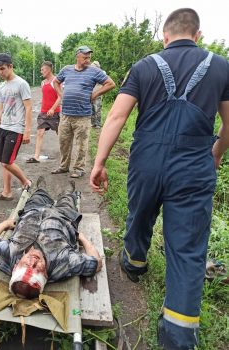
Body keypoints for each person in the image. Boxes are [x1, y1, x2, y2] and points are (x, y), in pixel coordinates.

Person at [90, 8, 229, 350]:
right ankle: (178, 335)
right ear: (198, 35)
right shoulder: (222, 67)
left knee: (140, 213)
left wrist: (100, 161)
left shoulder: (144, 66)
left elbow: (117, 116)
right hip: (195, 163)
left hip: (147, 160)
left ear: (165, 36)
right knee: (187, 247)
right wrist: (217, 152)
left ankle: (134, 263)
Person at [0, 177, 102, 298]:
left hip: (32, 210)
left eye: (26, 265)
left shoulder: (9, 256)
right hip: (64, 216)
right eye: (37, 268)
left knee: (39, 194)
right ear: (46, 275)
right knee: (67, 199)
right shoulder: (63, 263)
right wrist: (82, 238)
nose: (33, 261)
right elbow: (96, 264)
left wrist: (5, 224)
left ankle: (41, 188)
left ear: (15, 267)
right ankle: (68, 192)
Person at [51, 46, 115, 178]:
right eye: (85, 57)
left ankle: (79, 168)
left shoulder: (94, 71)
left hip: (83, 116)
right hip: (66, 115)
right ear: (77, 56)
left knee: (81, 144)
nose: (87, 60)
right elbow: (56, 82)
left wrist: (95, 94)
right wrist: (61, 94)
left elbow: (110, 83)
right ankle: (64, 167)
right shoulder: (66, 69)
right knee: (63, 142)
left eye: (89, 58)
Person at [0, 53, 32, 200]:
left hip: (16, 129)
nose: (0, 72)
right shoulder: (2, 87)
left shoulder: (21, 84)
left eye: (2, 69)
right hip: (3, 128)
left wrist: (27, 131)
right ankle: (7, 192)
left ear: (10, 66)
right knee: (3, 163)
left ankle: (26, 182)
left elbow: (29, 108)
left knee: (7, 162)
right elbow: (0, 110)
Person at [26, 61, 61, 163]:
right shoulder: (42, 83)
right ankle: (36, 156)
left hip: (55, 113)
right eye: (41, 69)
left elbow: (60, 97)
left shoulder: (56, 81)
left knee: (61, 135)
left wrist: (53, 108)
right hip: (43, 113)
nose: (41, 71)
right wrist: (46, 109)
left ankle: (64, 154)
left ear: (49, 69)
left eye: (43, 69)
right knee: (39, 133)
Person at [90, 61, 104, 128]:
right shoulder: (90, 73)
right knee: (92, 109)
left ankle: (98, 123)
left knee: (98, 109)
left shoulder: (101, 73)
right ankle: (93, 123)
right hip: (91, 94)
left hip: (98, 94)